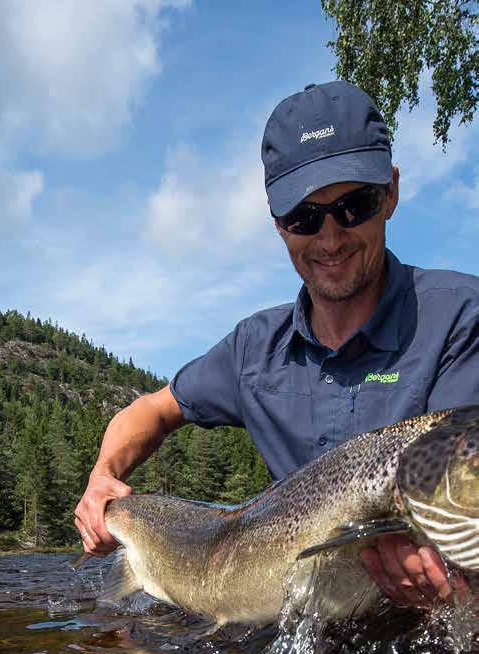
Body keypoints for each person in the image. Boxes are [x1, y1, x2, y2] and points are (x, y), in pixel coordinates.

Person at [74, 80, 479, 608]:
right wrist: (103, 480)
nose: (331, 239)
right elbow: (151, 410)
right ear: (277, 224)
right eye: (303, 218)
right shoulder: (252, 350)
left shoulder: (460, 316)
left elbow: (455, 470)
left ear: (391, 193)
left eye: (354, 206)